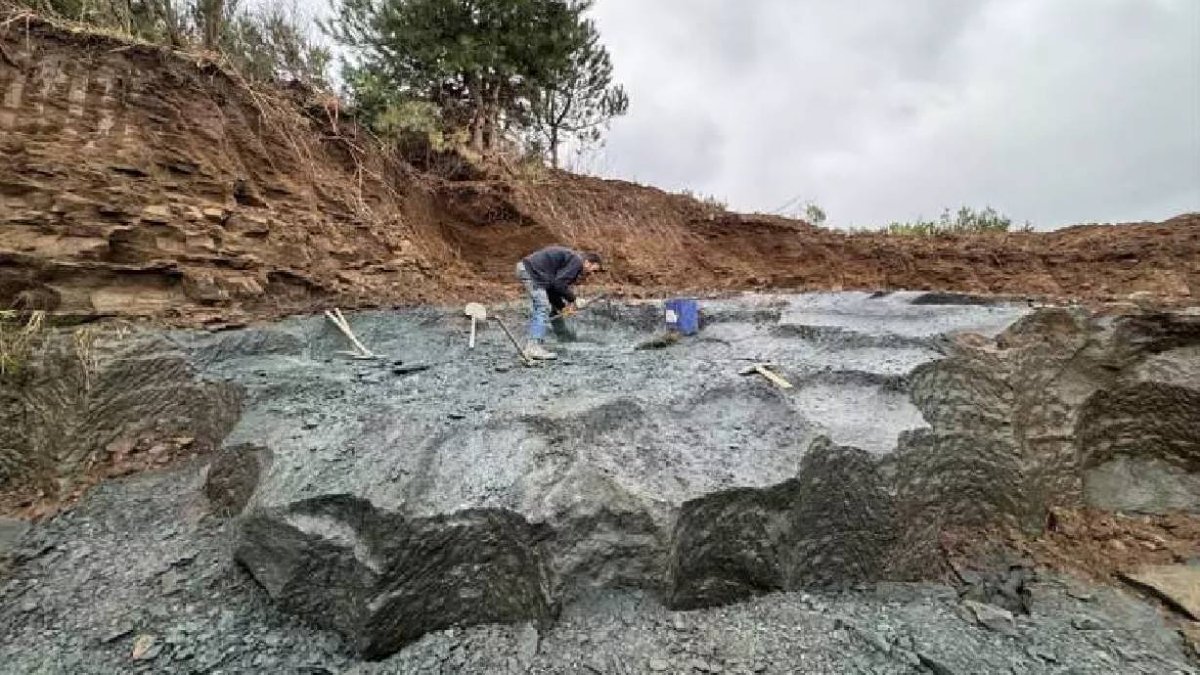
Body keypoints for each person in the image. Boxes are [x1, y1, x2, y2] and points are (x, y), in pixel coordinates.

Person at [516, 246, 603, 360]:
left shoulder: (572, 260)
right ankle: (533, 347)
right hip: (532, 272)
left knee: (552, 308)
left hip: (532, 271)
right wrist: (574, 300)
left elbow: (553, 288)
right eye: (594, 270)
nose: (592, 274)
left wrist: (562, 308)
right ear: (587, 262)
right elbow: (558, 284)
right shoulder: (577, 262)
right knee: (543, 307)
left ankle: (563, 336)